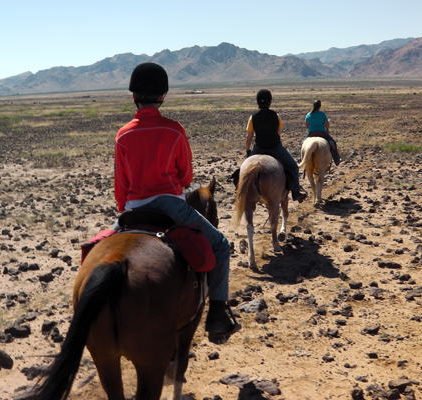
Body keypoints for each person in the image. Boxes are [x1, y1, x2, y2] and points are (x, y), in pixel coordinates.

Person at [113, 62, 240, 337]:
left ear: (133, 96)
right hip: (171, 207)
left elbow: (121, 185)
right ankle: (218, 313)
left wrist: (125, 209)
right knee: (220, 246)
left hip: (132, 210)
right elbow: (186, 176)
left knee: (99, 250)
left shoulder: (123, 136)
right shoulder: (174, 130)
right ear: (162, 96)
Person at [245, 89, 307, 202]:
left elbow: (249, 137)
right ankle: (295, 192)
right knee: (293, 167)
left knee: (244, 170)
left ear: (257, 101)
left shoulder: (252, 117)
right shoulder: (275, 116)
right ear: (270, 101)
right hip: (275, 147)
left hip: (259, 148)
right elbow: (278, 133)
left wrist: (248, 150)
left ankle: (241, 192)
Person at [304, 99, 342, 166]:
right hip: (322, 132)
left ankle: (301, 158)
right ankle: (336, 160)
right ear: (320, 106)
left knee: (303, 143)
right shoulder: (322, 114)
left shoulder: (308, 115)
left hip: (311, 133)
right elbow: (327, 125)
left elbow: (306, 126)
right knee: (333, 143)